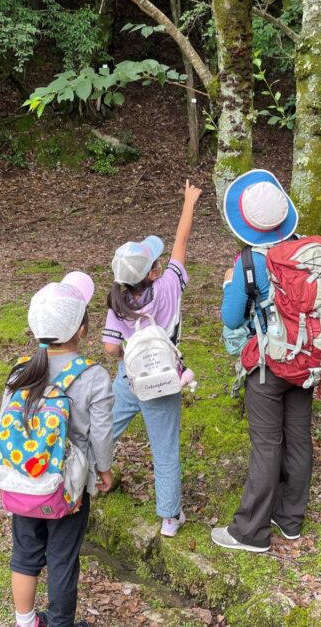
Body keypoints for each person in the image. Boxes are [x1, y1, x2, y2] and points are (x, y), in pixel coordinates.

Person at [0, 272, 115, 627]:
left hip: (22, 479)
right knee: (63, 556)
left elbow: (4, 429)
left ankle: (26, 621)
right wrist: (103, 470)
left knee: (25, 553)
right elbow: (101, 435)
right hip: (66, 488)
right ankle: (61, 623)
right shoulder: (92, 376)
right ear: (81, 330)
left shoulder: (21, 372)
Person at [211, 169, 310, 553]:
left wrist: (227, 285)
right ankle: (290, 519)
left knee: (267, 443)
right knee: (299, 438)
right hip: (308, 358)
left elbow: (232, 318)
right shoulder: (304, 249)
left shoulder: (249, 262)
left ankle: (251, 532)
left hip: (270, 362)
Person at [103, 179, 202, 537]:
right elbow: (181, 243)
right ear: (154, 272)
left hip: (130, 379)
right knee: (165, 448)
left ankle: (83, 477)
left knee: (107, 428)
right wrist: (189, 202)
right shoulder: (169, 285)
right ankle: (169, 518)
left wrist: (128, 350)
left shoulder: (118, 302)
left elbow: (111, 348)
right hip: (163, 381)